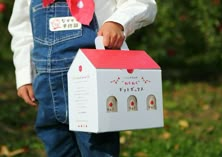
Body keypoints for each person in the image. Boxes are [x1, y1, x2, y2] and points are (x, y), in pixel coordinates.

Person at [8, 0, 157, 156]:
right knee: (57, 146)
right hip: (47, 90)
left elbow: (142, 3)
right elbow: (22, 29)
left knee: (98, 147)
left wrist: (117, 22)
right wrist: (24, 74)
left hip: (94, 86)